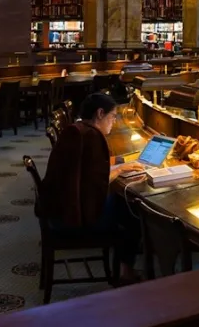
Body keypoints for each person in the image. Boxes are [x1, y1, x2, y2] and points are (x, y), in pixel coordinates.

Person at [37, 93, 143, 283]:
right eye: (112, 117)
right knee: (131, 211)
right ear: (100, 113)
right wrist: (120, 169)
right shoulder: (91, 135)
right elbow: (96, 183)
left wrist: (119, 163)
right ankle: (126, 271)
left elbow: (88, 171)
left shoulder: (77, 129)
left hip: (56, 211)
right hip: (69, 218)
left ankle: (125, 266)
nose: (113, 122)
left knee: (122, 204)